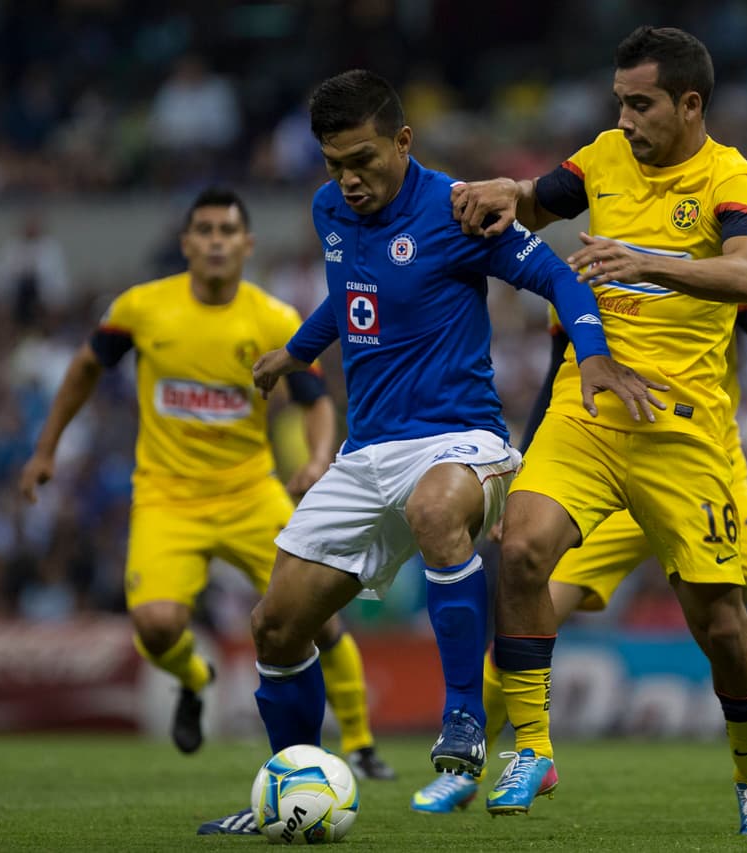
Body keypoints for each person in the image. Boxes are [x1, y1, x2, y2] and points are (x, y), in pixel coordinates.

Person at [197, 69, 661, 836]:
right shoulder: (329, 210)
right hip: (367, 449)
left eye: (364, 160)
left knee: (436, 507)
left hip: (460, 437)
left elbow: (557, 278)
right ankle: (289, 790)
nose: (348, 180)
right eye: (334, 164)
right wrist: (296, 352)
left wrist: (598, 356)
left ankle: (464, 722)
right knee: (276, 625)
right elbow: (355, 291)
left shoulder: (457, 209)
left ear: (403, 142)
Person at [412, 296, 747, 815]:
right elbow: (557, 382)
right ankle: (469, 770)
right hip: (602, 469)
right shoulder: (579, 281)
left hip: (705, 474)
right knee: (530, 606)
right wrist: (527, 480)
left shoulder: (706, 266)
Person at [449, 26, 747, 834]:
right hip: (591, 403)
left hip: (683, 429)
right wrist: (502, 188)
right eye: (620, 102)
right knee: (522, 546)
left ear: (690, 104)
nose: (627, 119)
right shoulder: (603, 156)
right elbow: (537, 198)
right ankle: (532, 744)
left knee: (721, 624)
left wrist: (644, 260)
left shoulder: (730, 178)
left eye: (642, 104)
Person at [18, 187, 395, 782]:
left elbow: (315, 400)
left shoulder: (273, 319)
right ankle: (197, 680)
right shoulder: (140, 308)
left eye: (227, 231)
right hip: (167, 498)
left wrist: (320, 456)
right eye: (205, 231)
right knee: (157, 625)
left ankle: (361, 744)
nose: (216, 241)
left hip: (251, 492)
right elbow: (87, 366)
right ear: (187, 242)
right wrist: (46, 451)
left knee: (318, 614)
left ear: (247, 243)